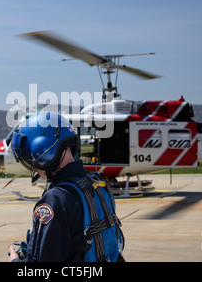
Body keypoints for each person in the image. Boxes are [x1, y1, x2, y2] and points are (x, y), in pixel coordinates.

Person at [8, 111, 125, 262]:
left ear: (42, 151)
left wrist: (15, 261)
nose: (32, 165)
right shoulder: (98, 184)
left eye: (30, 157)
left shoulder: (56, 198)